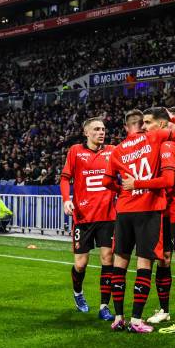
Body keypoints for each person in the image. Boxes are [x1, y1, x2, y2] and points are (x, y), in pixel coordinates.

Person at [102, 107, 175, 333]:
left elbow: (107, 182)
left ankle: (118, 317)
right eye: (143, 123)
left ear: (126, 126)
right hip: (148, 208)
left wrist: (124, 189)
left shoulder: (117, 150)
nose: (145, 126)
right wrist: (170, 115)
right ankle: (136, 320)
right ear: (142, 125)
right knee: (144, 264)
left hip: (124, 209)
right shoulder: (154, 137)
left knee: (120, 264)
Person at [60, 117, 117, 320]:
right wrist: (67, 200)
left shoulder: (112, 151)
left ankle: (104, 306)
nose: (101, 132)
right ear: (86, 132)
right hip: (83, 216)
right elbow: (65, 178)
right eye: (96, 129)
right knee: (81, 264)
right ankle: (78, 294)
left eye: (103, 129)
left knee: (107, 259)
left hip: (108, 216)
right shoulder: (76, 151)